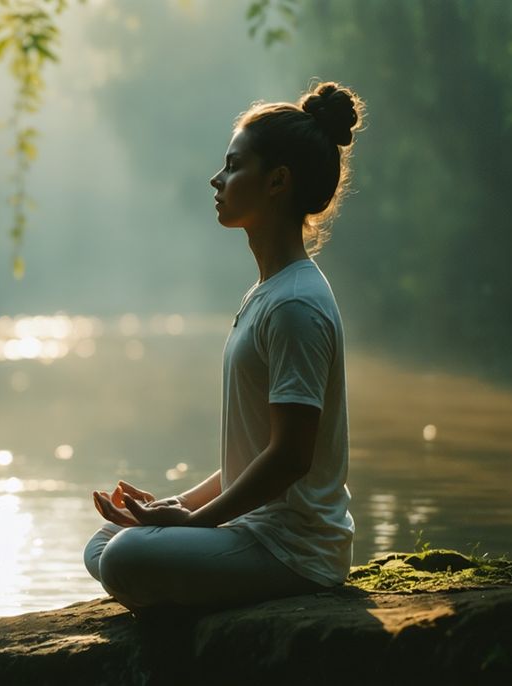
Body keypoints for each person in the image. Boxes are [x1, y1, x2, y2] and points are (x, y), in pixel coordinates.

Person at [82, 82, 363, 611]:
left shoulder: (295, 303)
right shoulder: (268, 292)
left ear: (277, 181)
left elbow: (290, 457)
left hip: (295, 551)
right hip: (252, 531)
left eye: (233, 167)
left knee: (122, 558)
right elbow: (257, 453)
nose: (217, 179)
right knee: (105, 543)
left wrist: (194, 523)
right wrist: (176, 505)